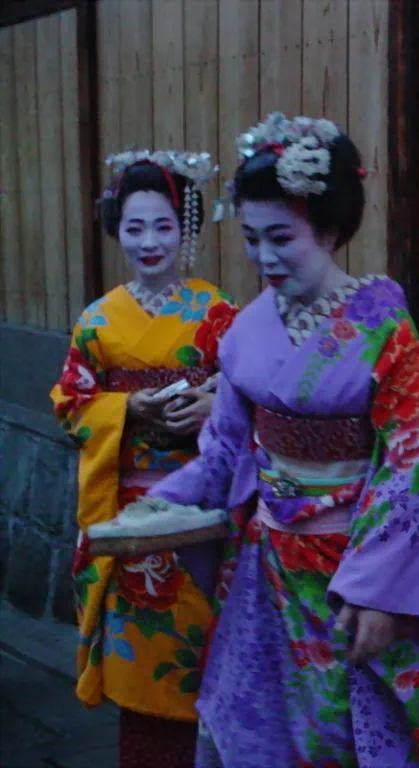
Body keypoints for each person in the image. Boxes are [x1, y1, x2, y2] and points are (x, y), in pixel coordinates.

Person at [146, 113, 419, 767]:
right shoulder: (245, 329)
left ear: (329, 228)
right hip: (266, 569)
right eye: (252, 238)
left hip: (352, 573)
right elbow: (226, 447)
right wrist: (161, 506)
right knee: (258, 724)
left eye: (282, 238)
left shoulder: (383, 327)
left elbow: (411, 462)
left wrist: (376, 591)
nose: (265, 257)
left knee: (345, 732)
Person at [51, 149, 238, 766]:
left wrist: (214, 405)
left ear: (186, 228)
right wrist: (127, 409)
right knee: (140, 653)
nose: (149, 241)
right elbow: (70, 402)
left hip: (200, 511)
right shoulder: (97, 320)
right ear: (117, 230)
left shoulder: (218, 312)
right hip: (129, 512)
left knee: (206, 645)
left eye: (164, 225)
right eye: (135, 227)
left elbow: (252, 393)